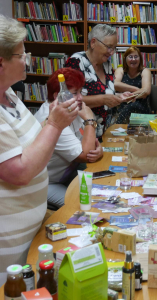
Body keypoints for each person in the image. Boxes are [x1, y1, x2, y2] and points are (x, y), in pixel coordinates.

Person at [0, 15, 79, 286]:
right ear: (0, 61)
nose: (27, 59)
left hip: (28, 235)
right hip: (5, 247)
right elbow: (18, 172)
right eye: (22, 54)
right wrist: (55, 125)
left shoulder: (9, 95)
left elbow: (34, 140)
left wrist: (54, 117)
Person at [35, 68, 103, 210]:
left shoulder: (69, 107)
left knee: (102, 195)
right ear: (58, 96)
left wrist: (99, 150)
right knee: (82, 206)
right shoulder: (53, 118)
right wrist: (90, 119)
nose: (80, 98)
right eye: (74, 93)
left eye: (80, 92)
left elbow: (90, 144)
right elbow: (85, 155)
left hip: (70, 174)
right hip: (48, 183)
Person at [65, 24, 133, 138]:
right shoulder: (76, 62)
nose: (111, 53)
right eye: (109, 47)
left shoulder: (106, 65)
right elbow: (68, 100)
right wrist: (104, 100)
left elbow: (104, 93)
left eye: (114, 48)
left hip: (104, 132)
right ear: (93, 43)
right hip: (82, 134)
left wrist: (119, 96)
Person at [113, 46, 152, 123]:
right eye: (130, 57)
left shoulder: (145, 71)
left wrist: (127, 96)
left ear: (140, 59)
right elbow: (115, 84)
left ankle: (117, 124)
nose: (133, 59)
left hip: (140, 106)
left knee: (132, 105)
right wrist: (137, 89)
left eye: (136, 57)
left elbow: (146, 91)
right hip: (121, 104)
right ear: (125, 59)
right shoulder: (120, 70)